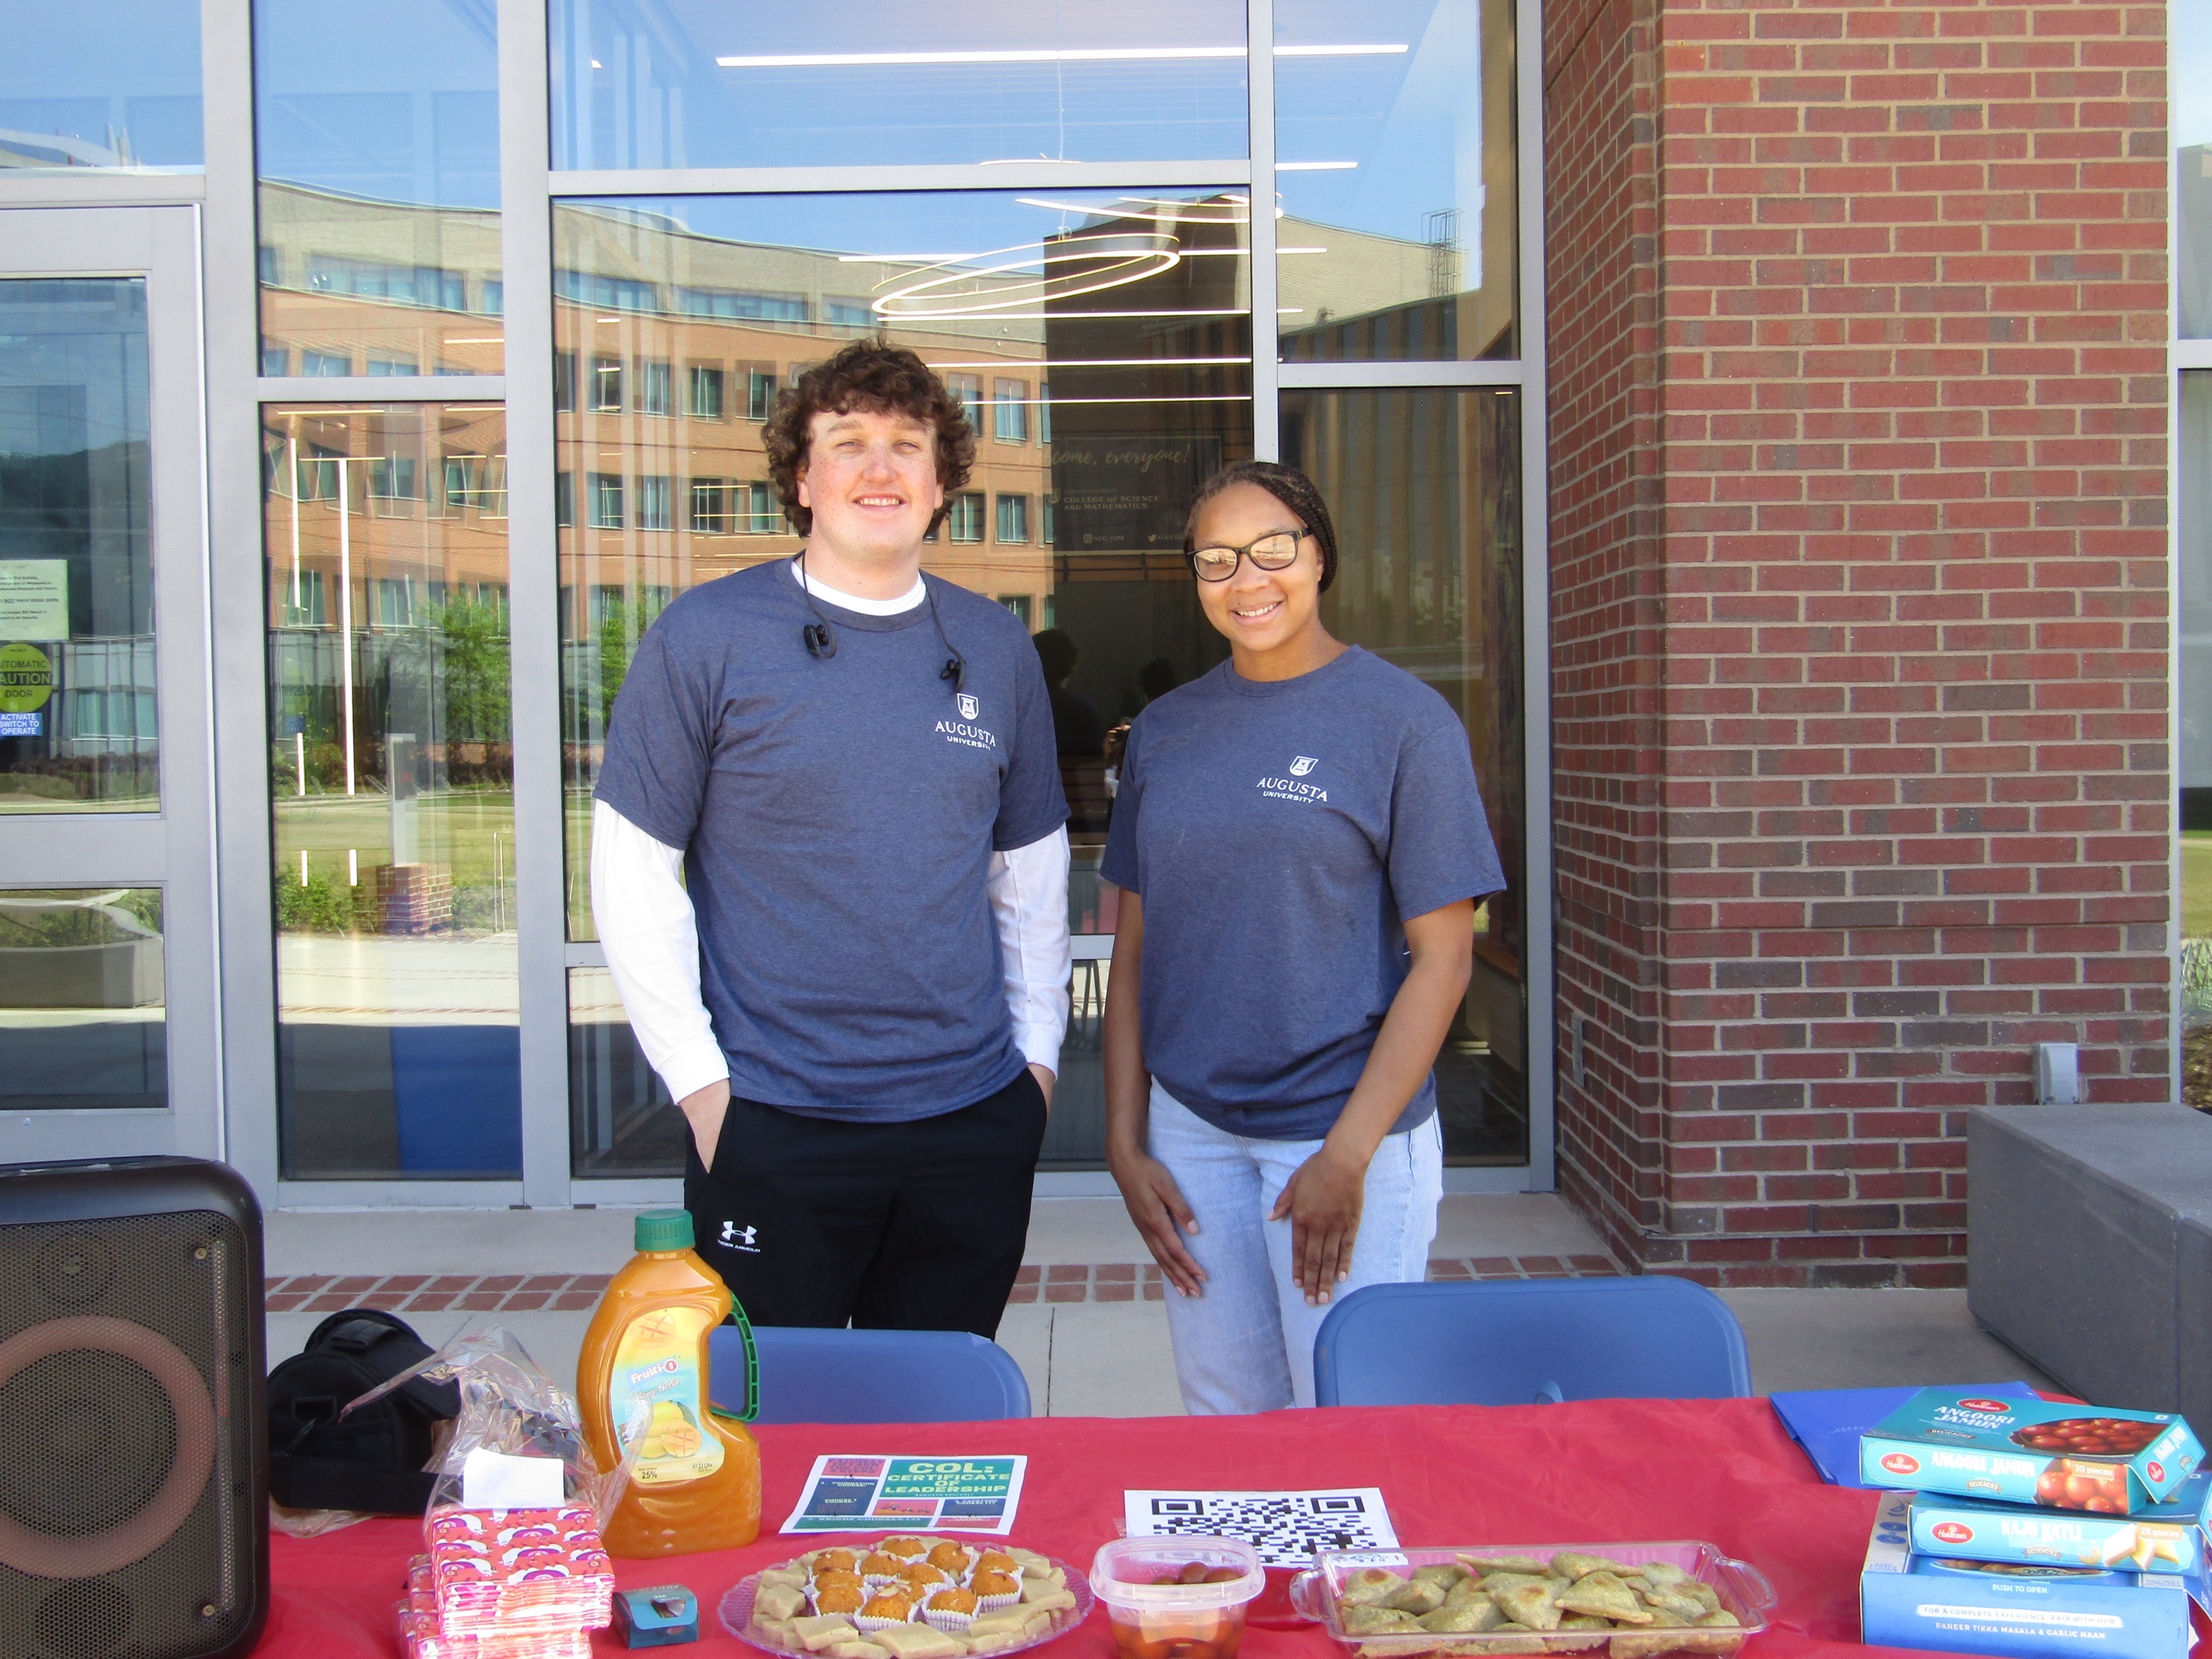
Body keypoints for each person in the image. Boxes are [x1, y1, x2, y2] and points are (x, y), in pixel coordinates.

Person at [591, 339, 1071, 1337]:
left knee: (935, 1434)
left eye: (908, 445)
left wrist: (1035, 1070)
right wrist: (703, 1090)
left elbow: (1028, 873)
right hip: (774, 1121)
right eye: (847, 443)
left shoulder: (994, 646)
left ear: (943, 483)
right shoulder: (707, 637)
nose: (880, 468)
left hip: (970, 1120)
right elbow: (633, 872)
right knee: (771, 1437)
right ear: (801, 477)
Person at [1100, 459, 1504, 1413]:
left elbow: (1444, 961)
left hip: (1341, 1125)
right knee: (1226, 1421)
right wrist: (1125, 1139)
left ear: (1320, 555)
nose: (1248, 579)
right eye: (1217, 559)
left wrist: (1349, 1154)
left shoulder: (1405, 722)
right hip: (1193, 1136)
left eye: (1273, 549)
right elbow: (1134, 953)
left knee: (1352, 1421)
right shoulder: (1165, 730)